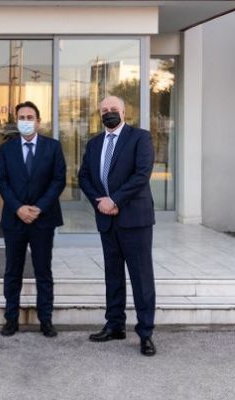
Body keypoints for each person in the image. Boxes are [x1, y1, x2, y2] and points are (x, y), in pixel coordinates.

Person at [78, 96, 157, 356]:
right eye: (104, 110)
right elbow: (84, 177)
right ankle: (114, 325)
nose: (109, 113)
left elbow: (142, 174)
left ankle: (145, 333)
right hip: (107, 219)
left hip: (135, 220)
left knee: (141, 278)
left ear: (124, 112)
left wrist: (115, 200)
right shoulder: (94, 143)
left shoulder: (140, 138)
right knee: (113, 276)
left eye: (114, 109)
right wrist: (100, 202)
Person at [0, 101, 66, 338]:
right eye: (21, 118)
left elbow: (58, 180)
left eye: (30, 117)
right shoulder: (7, 149)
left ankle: (46, 320)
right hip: (14, 219)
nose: (25, 121)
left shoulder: (53, 147)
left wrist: (38, 208)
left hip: (42, 219)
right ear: (16, 121)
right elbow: (2, 180)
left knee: (43, 271)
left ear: (38, 121)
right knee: (12, 271)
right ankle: (11, 319)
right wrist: (18, 208)